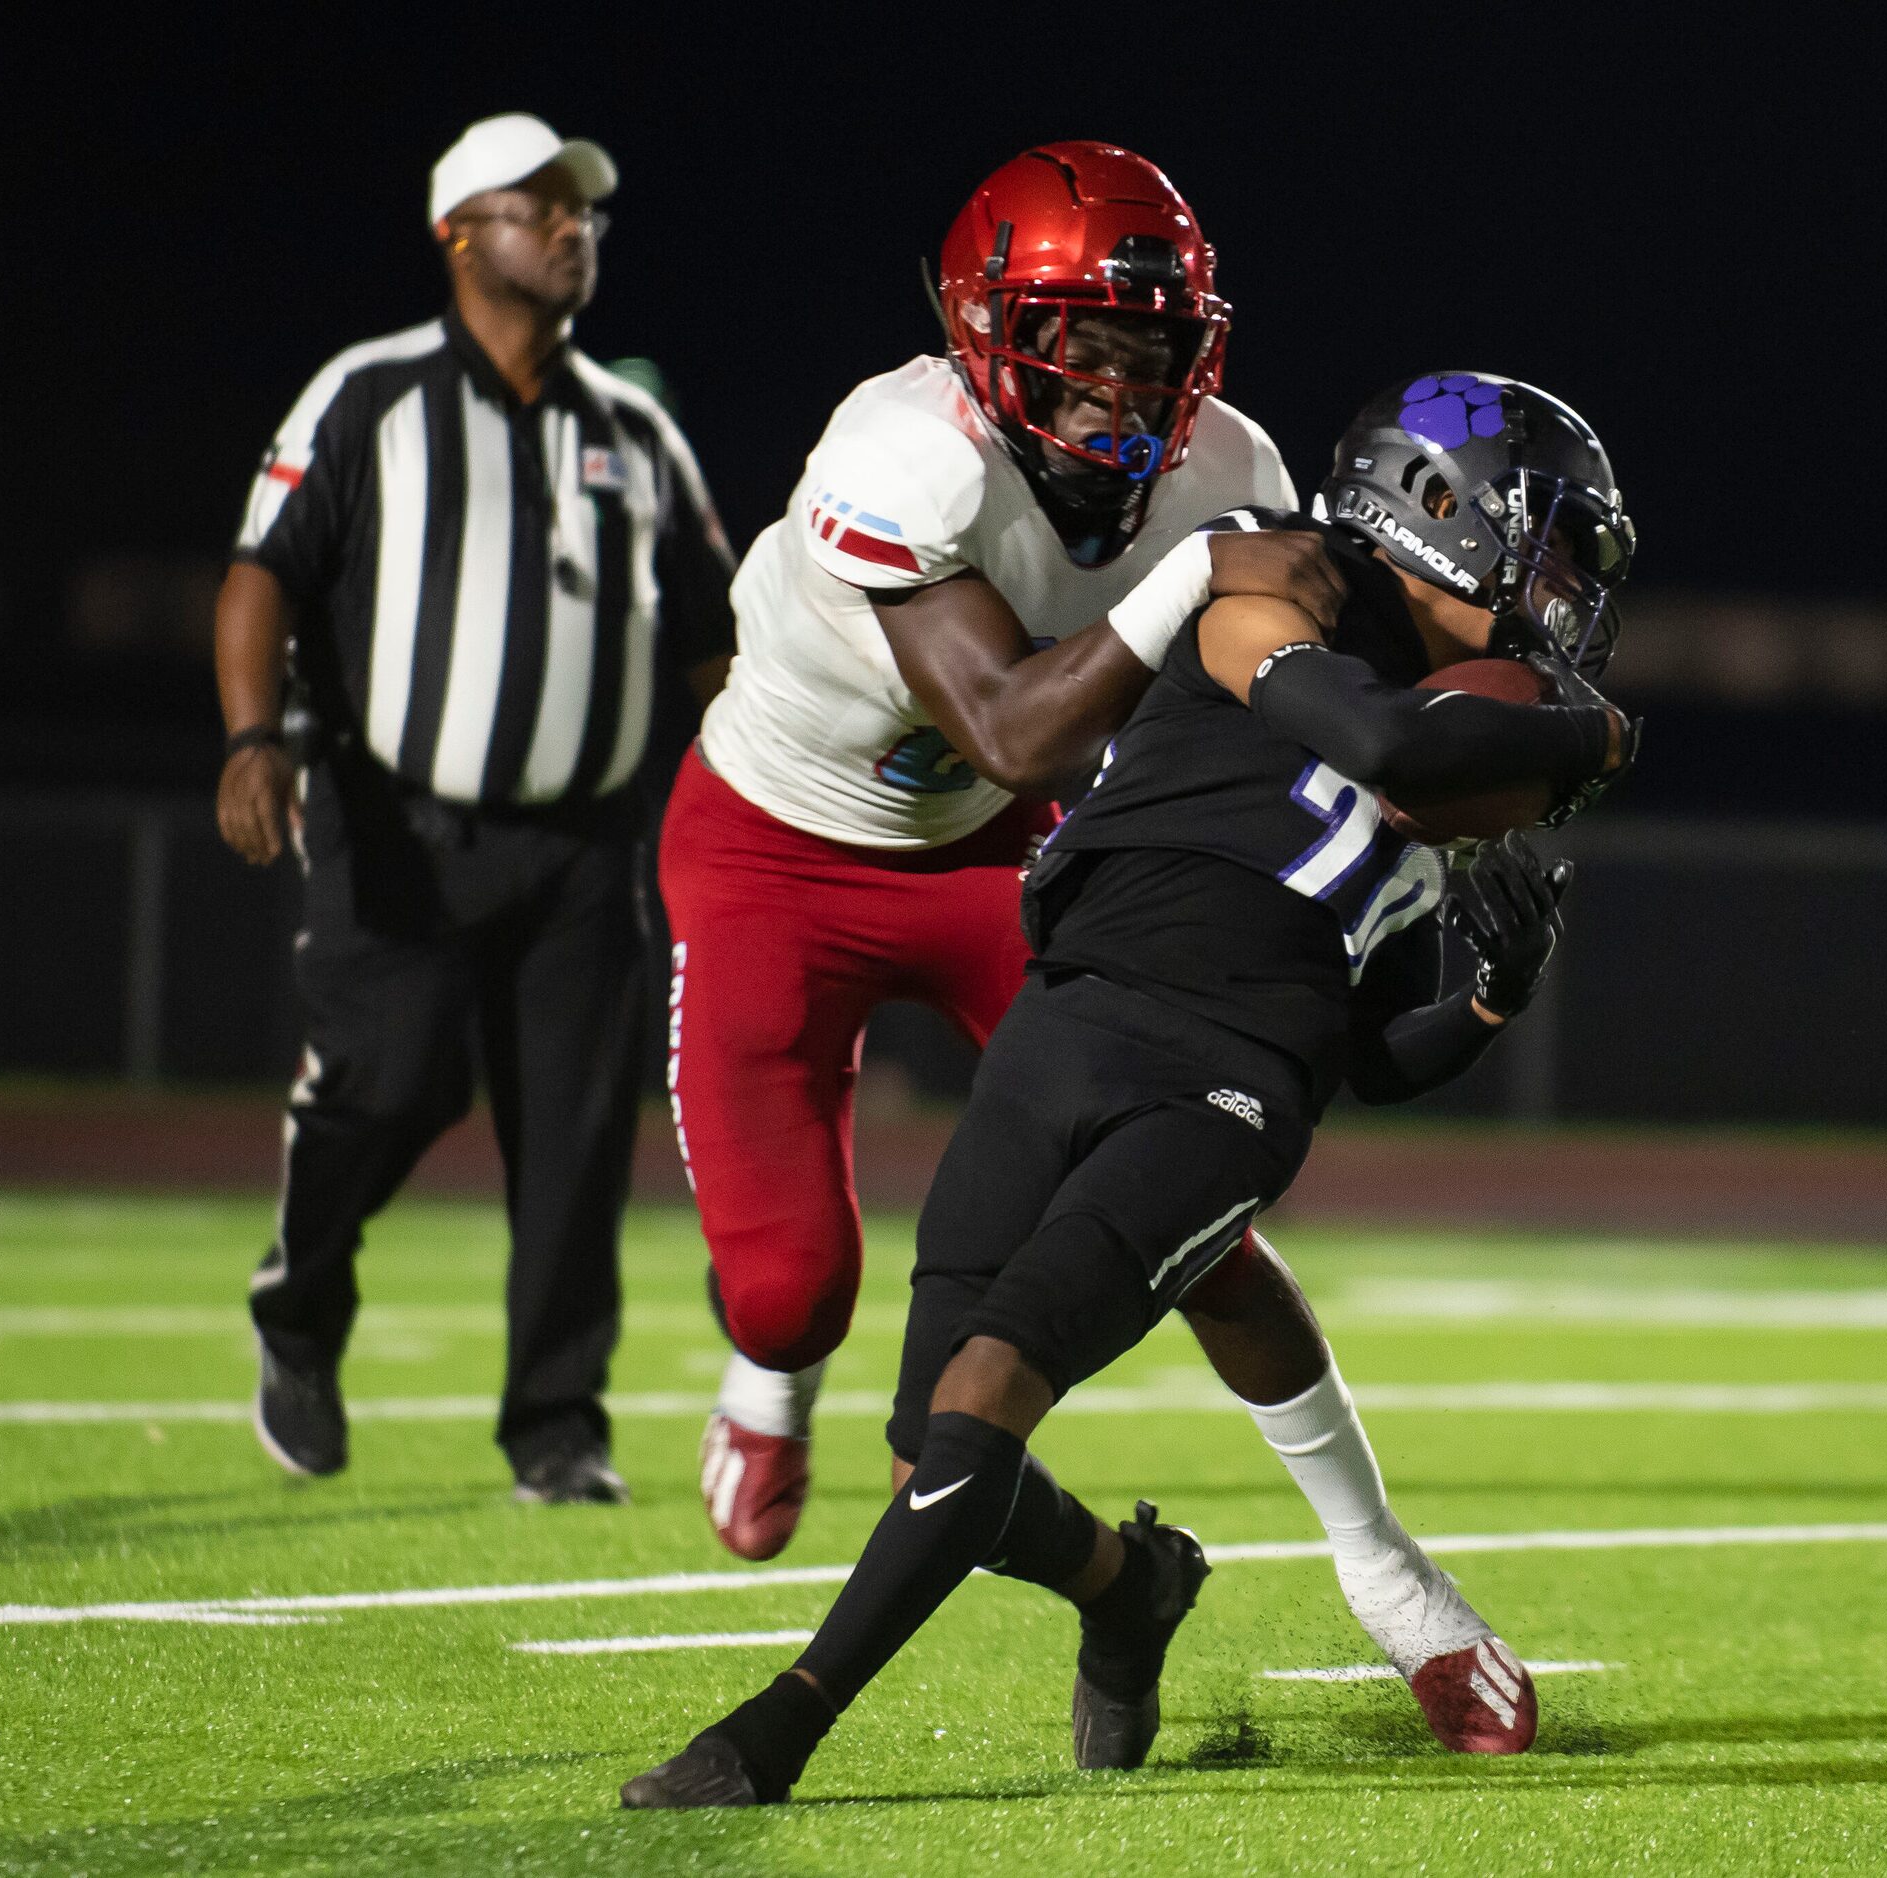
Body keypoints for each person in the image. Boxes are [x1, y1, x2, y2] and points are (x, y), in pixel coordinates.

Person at [620, 371, 1639, 1808]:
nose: (1553, 593)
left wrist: (1482, 998)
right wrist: (1597, 738)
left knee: (983, 1401)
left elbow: (1370, 1053)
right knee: (935, 1450)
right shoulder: (1273, 584)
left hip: (1226, 1086)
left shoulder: (1485, 720)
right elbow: (1396, 748)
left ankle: (774, 1728)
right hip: (1068, 1019)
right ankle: (1128, 1581)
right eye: (1539, 549)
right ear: (1435, 510)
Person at [217, 113, 736, 1503]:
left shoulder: (636, 431)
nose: (571, 230)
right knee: (391, 1082)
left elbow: (711, 636)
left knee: (573, 1136)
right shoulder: (370, 395)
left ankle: (557, 1425)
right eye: (538, 207)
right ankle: (301, 1308)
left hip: (585, 843)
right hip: (401, 822)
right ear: (458, 230)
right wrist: (253, 736)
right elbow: (263, 569)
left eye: (583, 212)